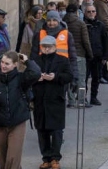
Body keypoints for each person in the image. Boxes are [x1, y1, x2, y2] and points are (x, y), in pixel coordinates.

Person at [0, 51, 41, 169]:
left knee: (13, 158)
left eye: (7, 63)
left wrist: (27, 61)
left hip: (17, 122)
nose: (3, 65)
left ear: (15, 64)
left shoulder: (21, 78)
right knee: (3, 159)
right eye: (2, 62)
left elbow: (36, 73)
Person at [33, 36, 73, 169]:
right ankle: (46, 158)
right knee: (42, 131)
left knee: (56, 131)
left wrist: (55, 77)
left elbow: (69, 76)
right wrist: (36, 78)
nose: (46, 49)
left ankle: (55, 158)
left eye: (49, 47)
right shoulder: (36, 60)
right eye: (44, 46)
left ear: (55, 47)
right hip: (40, 100)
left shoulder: (62, 60)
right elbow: (27, 76)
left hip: (56, 99)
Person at [62, 0, 92, 108]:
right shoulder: (80, 23)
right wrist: (90, 54)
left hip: (65, 54)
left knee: (69, 78)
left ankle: (71, 101)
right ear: (76, 12)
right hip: (79, 54)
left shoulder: (62, 23)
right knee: (81, 78)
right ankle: (81, 100)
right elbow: (86, 41)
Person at [83, 4, 107, 107]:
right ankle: (83, 97)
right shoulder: (83, 24)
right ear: (85, 13)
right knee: (84, 78)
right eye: (89, 12)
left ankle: (93, 97)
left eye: (93, 11)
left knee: (96, 78)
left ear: (96, 13)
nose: (91, 13)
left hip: (98, 56)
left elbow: (105, 41)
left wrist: (105, 56)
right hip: (86, 56)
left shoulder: (100, 25)